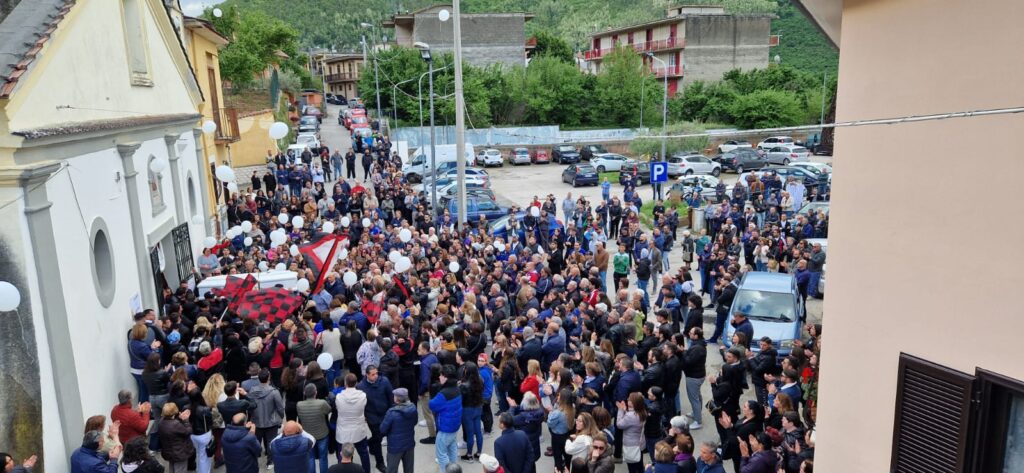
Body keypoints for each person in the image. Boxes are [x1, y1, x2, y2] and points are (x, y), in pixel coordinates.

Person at [356, 364, 393, 472]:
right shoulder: (361, 386)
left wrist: (392, 412)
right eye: (373, 374)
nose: (375, 376)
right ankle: (379, 462)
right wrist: (365, 416)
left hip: (385, 414)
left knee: (379, 437)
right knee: (377, 439)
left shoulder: (384, 381)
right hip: (372, 417)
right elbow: (361, 404)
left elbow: (391, 398)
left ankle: (370, 443)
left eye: (376, 373)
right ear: (367, 375)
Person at [335, 373, 373, 473]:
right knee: (364, 454)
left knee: (342, 456)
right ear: (356, 383)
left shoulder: (339, 397)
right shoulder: (362, 396)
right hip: (359, 431)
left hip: (343, 432)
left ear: (345, 383)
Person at [428, 365, 463, 472]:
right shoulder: (457, 389)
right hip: (454, 426)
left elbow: (432, 405)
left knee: (441, 455)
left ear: (446, 377)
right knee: (452, 450)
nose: (439, 377)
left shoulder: (443, 394)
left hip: (445, 429)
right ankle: (454, 470)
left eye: (441, 375)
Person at [248, 369, 284, 467]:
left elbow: (250, 406)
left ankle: (254, 461)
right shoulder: (274, 392)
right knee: (271, 443)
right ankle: (270, 462)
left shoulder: (252, 391)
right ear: (269, 378)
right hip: (271, 422)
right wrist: (281, 417)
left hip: (257, 421)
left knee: (255, 442)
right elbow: (280, 408)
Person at [379, 388, 417, 473]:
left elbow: (382, 429)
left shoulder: (391, 413)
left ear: (397, 399)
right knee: (409, 470)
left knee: (391, 470)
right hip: (409, 445)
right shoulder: (413, 408)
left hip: (395, 447)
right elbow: (415, 422)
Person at [296, 384, 332, 473]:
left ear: (304, 393)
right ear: (315, 392)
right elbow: (329, 410)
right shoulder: (322, 403)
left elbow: (299, 416)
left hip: (307, 437)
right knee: (323, 458)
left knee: (310, 458)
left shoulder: (299, 405)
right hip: (322, 434)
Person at [459, 362, 485, 462]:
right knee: (478, 432)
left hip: (467, 410)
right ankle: (479, 453)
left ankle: (469, 455)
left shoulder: (464, 386)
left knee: (470, 433)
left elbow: (461, 399)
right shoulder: (480, 380)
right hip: (478, 407)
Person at [157, 404, 194, 473]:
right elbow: (188, 432)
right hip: (179, 452)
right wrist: (186, 421)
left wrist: (179, 418)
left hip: (168, 451)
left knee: (172, 468)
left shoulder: (161, 422)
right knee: (180, 470)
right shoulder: (175, 424)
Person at [616, 393, 645, 473]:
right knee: (639, 465)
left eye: (629, 399)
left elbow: (619, 424)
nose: (627, 400)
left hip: (630, 445)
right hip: (640, 443)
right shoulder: (642, 412)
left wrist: (620, 410)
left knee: (632, 467)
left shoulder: (630, 416)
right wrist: (625, 410)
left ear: (634, 402)